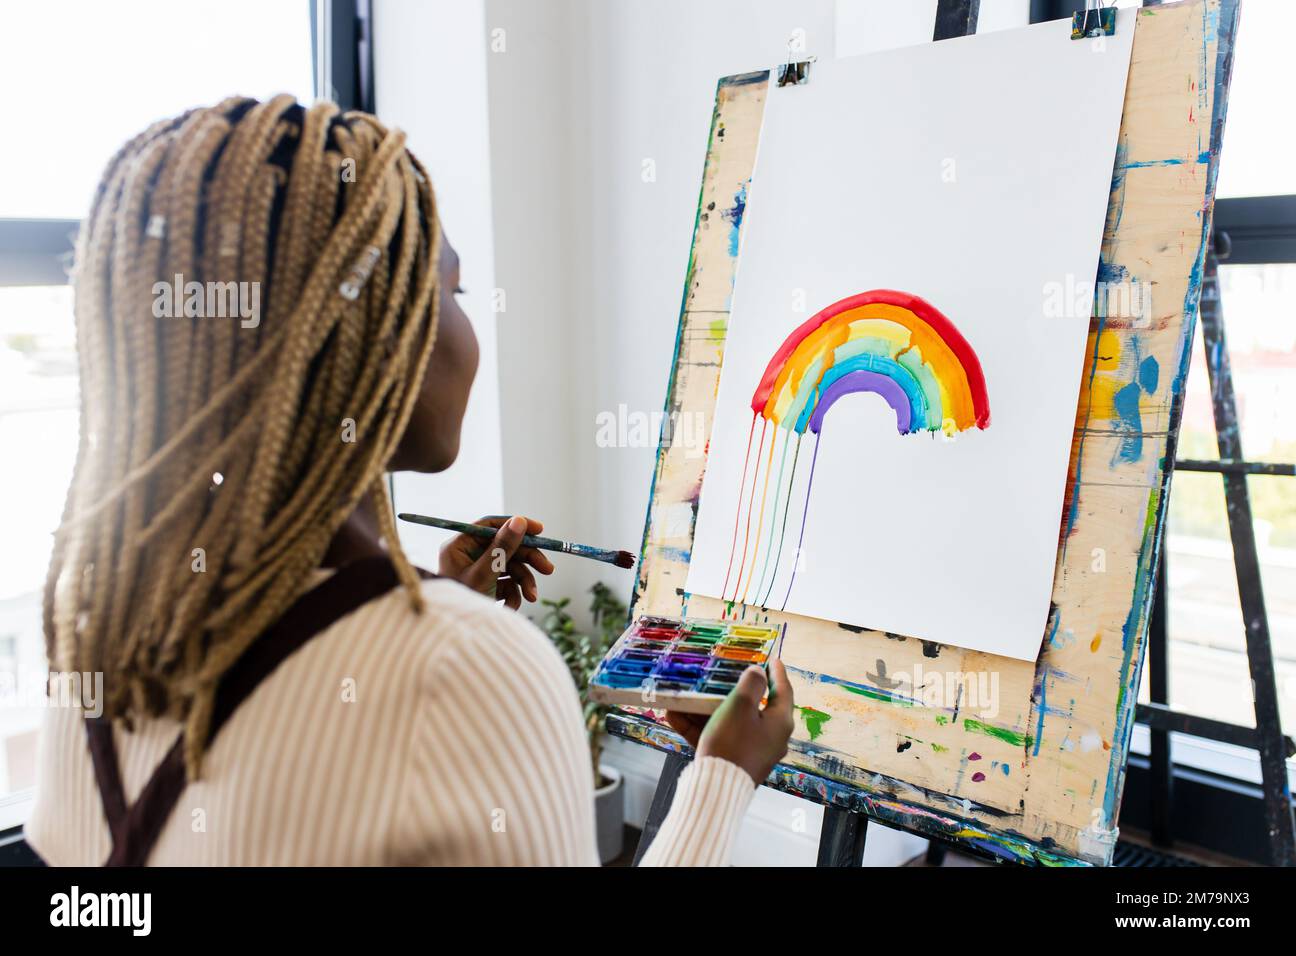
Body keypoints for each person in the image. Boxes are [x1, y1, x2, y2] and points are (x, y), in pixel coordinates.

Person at [27, 96, 794, 866]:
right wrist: (723, 776)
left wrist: (427, 605)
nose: (468, 326)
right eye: (454, 292)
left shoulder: (95, 623)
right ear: (372, 332)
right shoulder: (468, 671)